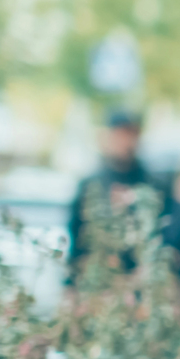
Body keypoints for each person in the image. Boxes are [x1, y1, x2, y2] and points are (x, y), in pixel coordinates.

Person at [66, 109, 157, 270]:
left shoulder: (152, 184)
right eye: (120, 135)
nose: (125, 141)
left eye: (131, 134)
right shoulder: (90, 185)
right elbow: (76, 234)